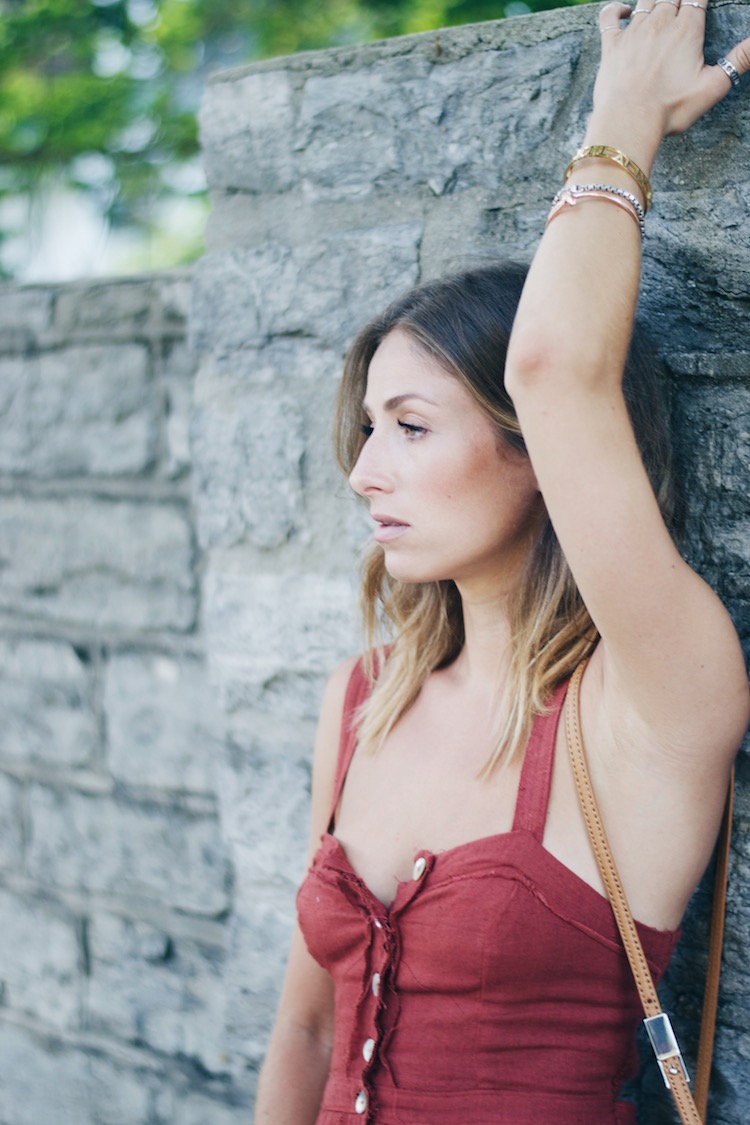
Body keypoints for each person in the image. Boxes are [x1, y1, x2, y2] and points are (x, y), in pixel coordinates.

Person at [254, 3, 750, 1122]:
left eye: (413, 428)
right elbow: (305, 1022)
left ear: (538, 455)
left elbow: (556, 369)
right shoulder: (364, 700)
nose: (364, 473)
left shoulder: (649, 703)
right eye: (369, 428)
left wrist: (622, 118)